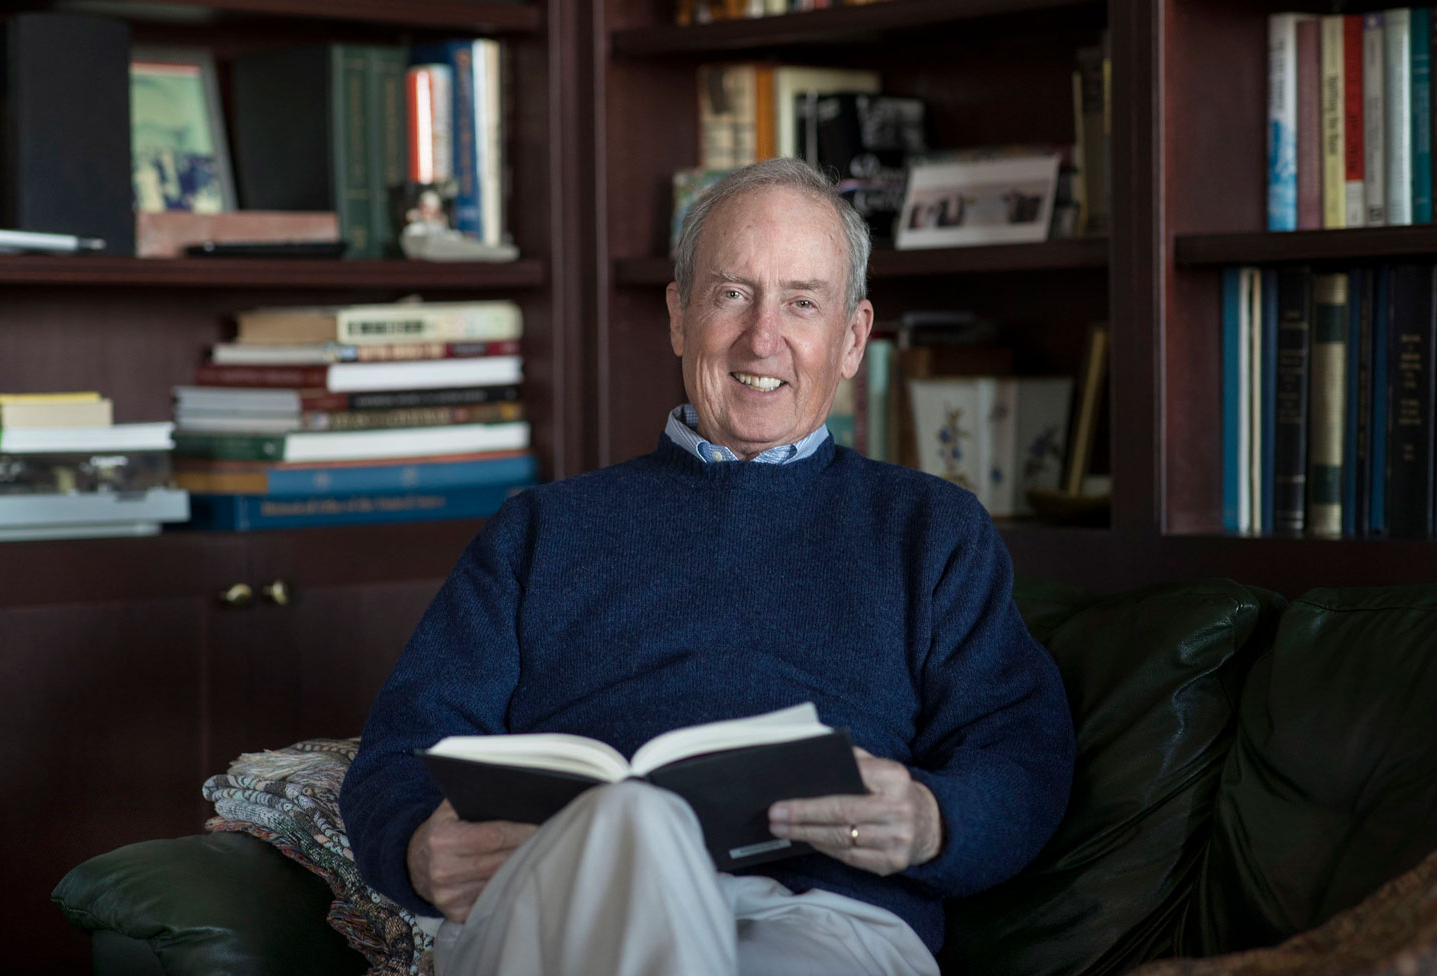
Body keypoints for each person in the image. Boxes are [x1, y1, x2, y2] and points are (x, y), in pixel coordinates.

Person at [340, 157, 1075, 976]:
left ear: (853, 338)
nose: (763, 338)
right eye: (732, 294)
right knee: (637, 824)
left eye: (802, 302)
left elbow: (1024, 758)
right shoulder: (540, 530)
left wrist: (934, 819)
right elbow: (399, 753)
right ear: (680, 316)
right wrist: (411, 848)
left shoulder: (931, 531)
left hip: (825, 922)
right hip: (563, 905)